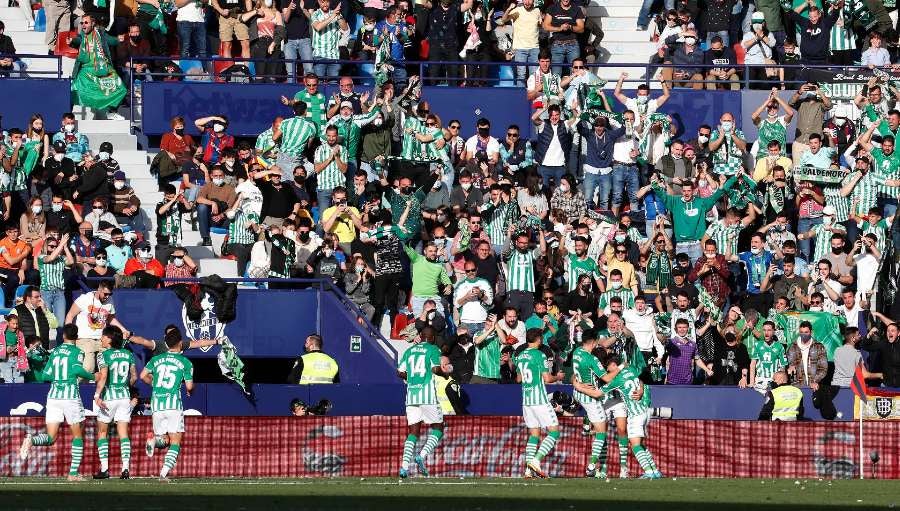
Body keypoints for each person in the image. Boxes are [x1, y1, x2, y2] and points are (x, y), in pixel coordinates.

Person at [19, 323, 94, 481]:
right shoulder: (78, 351)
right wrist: (93, 376)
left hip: (53, 396)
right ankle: (73, 474)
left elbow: (46, 375)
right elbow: (76, 369)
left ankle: (31, 440)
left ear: (63, 336)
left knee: (51, 437)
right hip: (70, 396)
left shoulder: (55, 351)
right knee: (78, 435)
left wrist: (58, 377)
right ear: (77, 337)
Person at [575, 350, 663, 479]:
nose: (606, 369)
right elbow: (639, 380)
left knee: (635, 444)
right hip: (644, 411)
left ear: (614, 365)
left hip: (634, 414)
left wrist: (579, 388)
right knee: (640, 443)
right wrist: (640, 388)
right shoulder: (631, 369)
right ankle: (655, 470)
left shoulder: (616, 379)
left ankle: (648, 472)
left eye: (608, 366)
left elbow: (598, 393)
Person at [140, 328, 195, 482]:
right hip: (173, 405)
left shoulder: (156, 359)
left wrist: (154, 383)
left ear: (166, 343)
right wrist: (191, 390)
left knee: (165, 441)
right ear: (180, 343)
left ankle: (154, 441)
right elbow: (189, 386)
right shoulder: (185, 362)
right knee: (175, 441)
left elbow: (142, 375)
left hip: (156, 404)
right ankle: (163, 474)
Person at [397, 328, 450, 478]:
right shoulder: (433, 349)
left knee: (413, 432)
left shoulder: (409, 351)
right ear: (432, 338)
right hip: (427, 396)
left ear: (420, 336)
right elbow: (435, 369)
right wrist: (445, 373)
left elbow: (399, 372)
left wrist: (412, 378)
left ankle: (404, 468)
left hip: (411, 395)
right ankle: (422, 455)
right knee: (439, 428)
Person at [92, 326, 137, 480]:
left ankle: (104, 469)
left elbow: (103, 376)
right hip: (124, 397)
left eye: (103, 337)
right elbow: (134, 378)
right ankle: (125, 469)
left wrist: (97, 396)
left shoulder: (103, 355)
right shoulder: (128, 354)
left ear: (110, 339)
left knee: (102, 433)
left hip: (109, 398)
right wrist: (125, 385)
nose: (101, 339)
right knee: (123, 434)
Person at [516, 328, 562, 478]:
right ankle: (536, 461)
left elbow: (518, 379)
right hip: (540, 400)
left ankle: (528, 471)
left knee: (534, 434)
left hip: (526, 401)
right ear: (539, 339)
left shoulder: (520, 355)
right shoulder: (540, 354)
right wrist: (558, 376)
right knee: (554, 431)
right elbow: (548, 379)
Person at [69, 15, 127, 121]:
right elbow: (77, 41)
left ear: (93, 23)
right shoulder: (82, 36)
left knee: (121, 88)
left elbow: (111, 41)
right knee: (74, 89)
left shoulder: (101, 34)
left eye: (86, 23)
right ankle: (68, 117)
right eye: (82, 23)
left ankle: (111, 112)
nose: (83, 25)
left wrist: (118, 39)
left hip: (104, 69)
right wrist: (72, 41)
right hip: (86, 70)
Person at [64, 281, 129, 374]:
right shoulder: (85, 298)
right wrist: (68, 337)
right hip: (84, 339)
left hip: (102, 340)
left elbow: (110, 319)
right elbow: (70, 315)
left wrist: (124, 330)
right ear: (99, 289)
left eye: (110, 294)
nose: (107, 296)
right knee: (88, 368)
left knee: (111, 365)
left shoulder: (110, 300)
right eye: (105, 294)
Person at [454, 261, 494, 336]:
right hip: (466, 323)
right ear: (465, 271)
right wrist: (467, 296)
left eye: (473, 270)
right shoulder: (460, 285)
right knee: (468, 347)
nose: (471, 272)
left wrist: (480, 294)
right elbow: (456, 304)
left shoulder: (484, 282)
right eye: (468, 271)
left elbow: (490, 302)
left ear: (477, 269)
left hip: (483, 322)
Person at [0, 224, 32, 307]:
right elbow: (11, 261)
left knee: (34, 275)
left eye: (15, 232)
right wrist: (24, 253)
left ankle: (30, 302)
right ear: (7, 233)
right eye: (10, 232)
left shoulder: (22, 243)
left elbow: (24, 262)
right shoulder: (2, 243)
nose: (13, 234)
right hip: (3, 269)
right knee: (14, 278)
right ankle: (5, 300)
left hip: (17, 269)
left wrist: (22, 270)